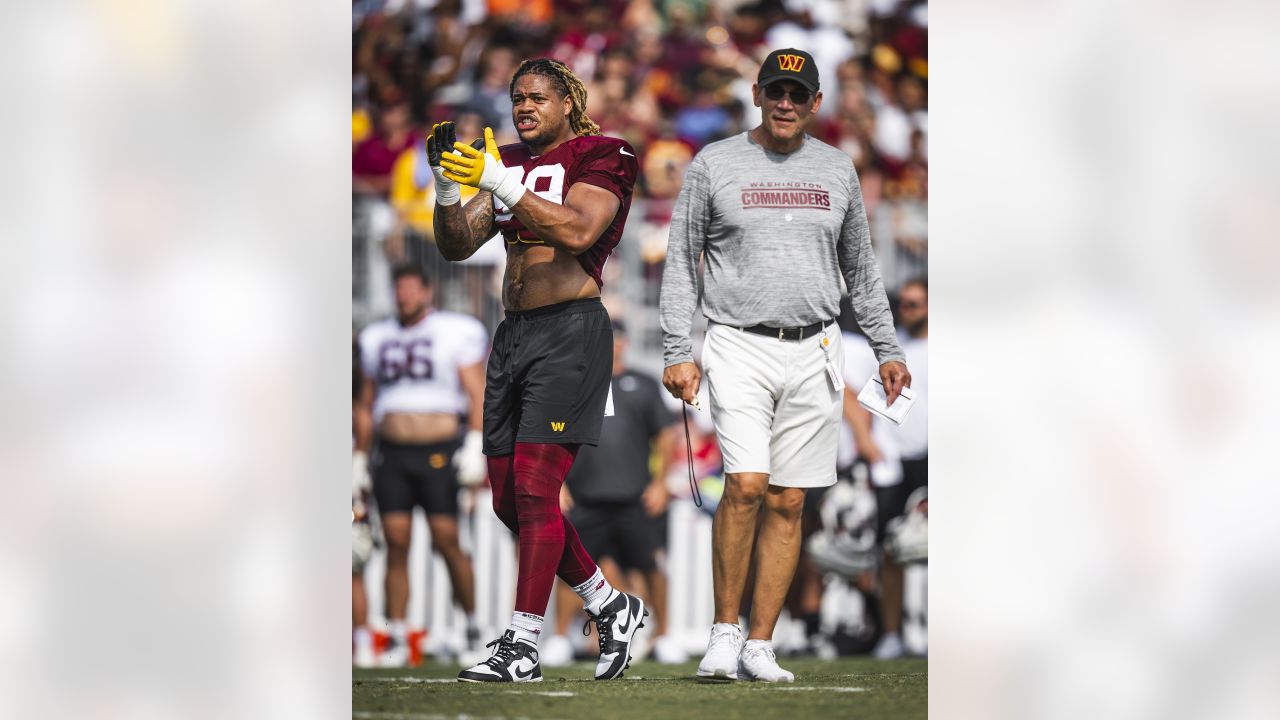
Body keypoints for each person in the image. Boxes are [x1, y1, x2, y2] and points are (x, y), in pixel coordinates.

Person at [659, 48, 910, 683]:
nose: (786, 103)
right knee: (745, 483)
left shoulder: (838, 169)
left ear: (816, 102)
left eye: (798, 94)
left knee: (791, 498)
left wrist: (887, 348)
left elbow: (862, 270)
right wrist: (675, 349)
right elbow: (682, 262)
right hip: (737, 341)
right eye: (776, 91)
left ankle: (760, 643)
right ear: (756, 93)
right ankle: (724, 631)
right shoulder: (714, 163)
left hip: (818, 345)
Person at [430, 57, 646, 683]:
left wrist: (498, 181)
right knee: (505, 497)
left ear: (568, 102)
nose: (523, 108)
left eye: (536, 98)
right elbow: (456, 244)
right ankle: (610, 603)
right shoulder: (512, 167)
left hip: (571, 331)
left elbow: (579, 230)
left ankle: (522, 642)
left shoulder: (605, 151)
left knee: (533, 486)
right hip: (514, 334)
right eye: (516, 98)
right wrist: (449, 188)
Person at [354, 263, 489, 667]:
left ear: (428, 292)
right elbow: (365, 402)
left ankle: (472, 624)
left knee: (447, 540)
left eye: (412, 287)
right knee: (396, 543)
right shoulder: (376, 337)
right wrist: (359, 454)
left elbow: (475, 391)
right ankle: (396, 633)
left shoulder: (454, 331)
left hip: (439, 448)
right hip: (392, 452)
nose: (404, 295)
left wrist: (474, 443)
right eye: (399, 288)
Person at [541, 320, 686, 667]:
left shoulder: (644, 385)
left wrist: (660, 482)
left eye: (612, 339)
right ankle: (560, 637)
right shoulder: (574, 387)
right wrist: (557, 485)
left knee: (651, 566)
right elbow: (555, 437)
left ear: (623, 343)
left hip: (634, 497)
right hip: (585, 497)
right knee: (569, 570)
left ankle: (663, 636)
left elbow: (665, 436)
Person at [872, 275, 928, 659]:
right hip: (897, 460)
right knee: (891, 550)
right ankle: (891, 634)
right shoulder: (895, 352)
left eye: (913, 304)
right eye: (902, 305)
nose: (905, 311)